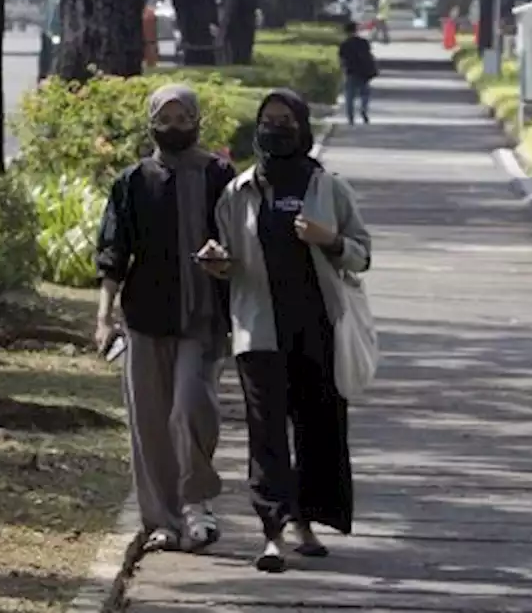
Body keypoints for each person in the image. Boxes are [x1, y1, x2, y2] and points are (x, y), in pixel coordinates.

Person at [199, 89, 372, 574]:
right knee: (267, 433)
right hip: (259, 331)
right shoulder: (238, 192)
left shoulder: (329, 188)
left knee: (319, 429)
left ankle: (307, 524)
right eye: (268, 121)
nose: (275, 129)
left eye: (285, 121)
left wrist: (330, 240)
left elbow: (362, 253)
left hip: (319, 328)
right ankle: (272, 533)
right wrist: (217, 263)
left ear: (302, 127)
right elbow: (230, 257)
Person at [94, 84, 236, 554]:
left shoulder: (219, 175)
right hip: (145, 317)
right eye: (165, 118)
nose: (174, 127)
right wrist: (103, 318)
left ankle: (196, 505)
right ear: (152, 121)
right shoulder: (133, 181)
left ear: (196, 121)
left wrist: (225, 260)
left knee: (191, 408)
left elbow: (242, 242)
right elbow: (113, 254)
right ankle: (162, 521)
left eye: (182, 118)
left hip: (202, 317)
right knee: (150, 420)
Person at [337, 21, 377, 125]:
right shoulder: (363, 42)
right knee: (365, 93)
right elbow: (369, 56)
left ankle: (350, 117)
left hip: (350, 72)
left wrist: (342, 71)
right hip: (364, 72)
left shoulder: (344, 44)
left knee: (350, 96)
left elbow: (341, 60)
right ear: (356, 30)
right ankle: (363, 109)